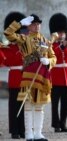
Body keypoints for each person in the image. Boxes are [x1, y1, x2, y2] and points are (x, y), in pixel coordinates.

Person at [4, 14, 57, 141]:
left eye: (38, 24)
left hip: (42, 76)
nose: (37, 26)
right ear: (29, 26)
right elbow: (8, 33)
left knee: (40, 106)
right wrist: (20, 23)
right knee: (28, 106)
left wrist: (48, 61)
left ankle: (38, 133)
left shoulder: (45, 40)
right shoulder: (24, 38)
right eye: (34, 24)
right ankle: (29, 133)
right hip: (29, 76)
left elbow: (54, 57)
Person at [49, 13, 67, 133]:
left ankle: (63, 123)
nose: (61, 35)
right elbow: (52, 54)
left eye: (63, 32)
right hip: (55, 77)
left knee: (65, 103)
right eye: (59, 32)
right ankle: (56, 124)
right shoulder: (51, 45)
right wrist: (61, 46)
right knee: (55, 103)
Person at [0, 11, 26, 139]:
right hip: (14, 78)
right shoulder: (8, 48)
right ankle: (14, 130)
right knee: (13, 106)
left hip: (24, 78)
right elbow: (8, 61)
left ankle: (22, 129)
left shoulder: (25, 46)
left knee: (22, 105)